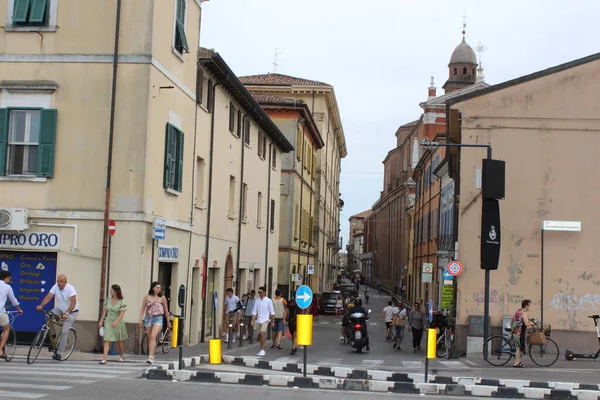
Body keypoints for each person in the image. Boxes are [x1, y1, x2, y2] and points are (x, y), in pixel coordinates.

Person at [37, 274, 79, 361]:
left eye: (61, 281)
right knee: (47, 315)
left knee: (64, 331)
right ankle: (52, 334)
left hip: (71, 311)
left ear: (65, 282)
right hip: (60, 309)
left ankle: (59, 353)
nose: (59, 283)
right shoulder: (55, 286)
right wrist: (41, 305)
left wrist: (67, 313)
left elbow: (73, 303)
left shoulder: (70, 289)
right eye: (58, 281)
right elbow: (48, 297)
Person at [139, 281, 171, 364]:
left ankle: (150, 356)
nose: (159, 289)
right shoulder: (146, 297)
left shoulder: (162, 298)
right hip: (148, 318)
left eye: (160, 288)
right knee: (150, 338)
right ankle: (152, 355)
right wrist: (140, 320)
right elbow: (142, 308)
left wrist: (168, 321)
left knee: (153, 336)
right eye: (157, 288)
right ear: (153, 288)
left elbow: (166, 310)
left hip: (158, 318)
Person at [98, 284, 128, 364]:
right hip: (108, 321)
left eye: (111, 290)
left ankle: (121, 355)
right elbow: (105, 310)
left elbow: (122, 313)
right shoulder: (108, 299)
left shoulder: (121, 301)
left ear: (116, 291)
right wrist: (101, 320)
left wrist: (116, 321)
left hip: (117, 322)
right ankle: (105, 358)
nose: (110, 291)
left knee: (118, 340)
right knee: (107, 339)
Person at [0, 271, 23, 359]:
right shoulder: (7, 287)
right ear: (7, 277)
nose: (9, 280)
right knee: (6, 329)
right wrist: (19, 309)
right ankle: (0, 350)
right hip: (0, 312)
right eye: (9, 278)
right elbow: (13, 300)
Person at [251, 286, 275, 356]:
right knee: (260, 335)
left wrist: (273, 321)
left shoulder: (268, 301)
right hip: (259, 320)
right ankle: (261, 348)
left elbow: (272, 312)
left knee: (262, 333)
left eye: (261, 292)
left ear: (264, 292)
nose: (259, 294)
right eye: (259, 292)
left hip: (265, 320)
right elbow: (254, 312)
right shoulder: (257, 301)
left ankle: (263, 349)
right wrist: (252, 320)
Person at [511, 299, 534, 368]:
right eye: (530, 306)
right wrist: (532, 324)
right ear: (526, 306)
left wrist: (512, 326)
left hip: (515, 331)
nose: (530, 307)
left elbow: (512, 318)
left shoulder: (518, 311)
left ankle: (518, 361)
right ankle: (516, 363)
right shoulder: (524, 313)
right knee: (519, 347)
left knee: (520, 347)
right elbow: (526, 323)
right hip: (520, 332)